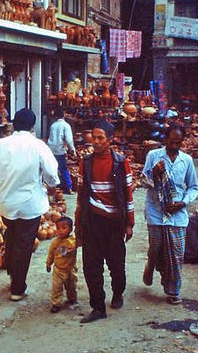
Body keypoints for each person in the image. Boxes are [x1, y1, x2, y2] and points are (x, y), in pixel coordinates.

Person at [0, 108, 60, 301]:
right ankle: (17, 288)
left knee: (12, 238)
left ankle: (13, 275)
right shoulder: (38, 145)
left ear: (13, 124)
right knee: (23, 244)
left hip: (6, 202)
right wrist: (52, 188)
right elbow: (51, 173)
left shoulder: (0, 145)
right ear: (32, 126)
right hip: (29, 204)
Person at [75, 120, 134, 323]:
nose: (96, 142)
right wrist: (78, 225)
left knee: (116, 265)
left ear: (111, 140)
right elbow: (81, 194)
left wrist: (129, 223)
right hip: (92, 221)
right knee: (91, 266)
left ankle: (118, 293)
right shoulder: (86, 162)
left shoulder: (120, 162)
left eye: (101, 138)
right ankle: (98, 307)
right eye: (94, 137)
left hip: (114, 222)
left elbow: (127, 195)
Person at [142, 124, 198, 304]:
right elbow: (143, 181)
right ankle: (151, 264)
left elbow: (193, 187)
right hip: (156, 210)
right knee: (156, 248)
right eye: (172, 142)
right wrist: (155, 173)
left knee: (176, 253)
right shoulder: (153, 156)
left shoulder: (187, 160)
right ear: (166, 139)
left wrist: (183, 202)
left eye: (178, 142)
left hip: (177, 213)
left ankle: (173, 290)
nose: (175, 146)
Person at [46, 216, 77, 313]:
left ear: (70, 229)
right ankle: (56, 303)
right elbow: (50, 254)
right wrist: (48, 264)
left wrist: (72, 250)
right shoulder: (55, 242)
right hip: (58, 269)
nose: (60, 231)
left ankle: (72, 298)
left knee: (71, 285)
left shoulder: (73, 241)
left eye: (64, 228)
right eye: (58, 228)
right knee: (57, 287)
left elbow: (79, 245)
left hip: (70, 268)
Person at [47, 108, 76, 194]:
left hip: (51, 150)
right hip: (60, 150)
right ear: (63, 116)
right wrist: (72, 149)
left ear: (55, 117)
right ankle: (68, 187)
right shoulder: (66, 125)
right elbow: (69, 139)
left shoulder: (53, 125)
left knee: (53, 168)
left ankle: (54, 187)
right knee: (63, 169)